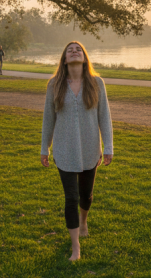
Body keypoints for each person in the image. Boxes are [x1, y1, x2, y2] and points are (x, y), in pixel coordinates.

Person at [40, 41, 113, 262]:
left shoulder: (97, 83)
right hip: (64, 150)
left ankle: (83, 221)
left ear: (84, 57)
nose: (74, 51)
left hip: (91, 148)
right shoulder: (54, 85)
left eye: (78, 49)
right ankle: (75, 247)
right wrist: (45, 147)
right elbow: (48, 119)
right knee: (70, 197)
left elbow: (105, 117)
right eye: (70, 50)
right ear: (64, 59)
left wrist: (108, 146)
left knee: (86, 195)